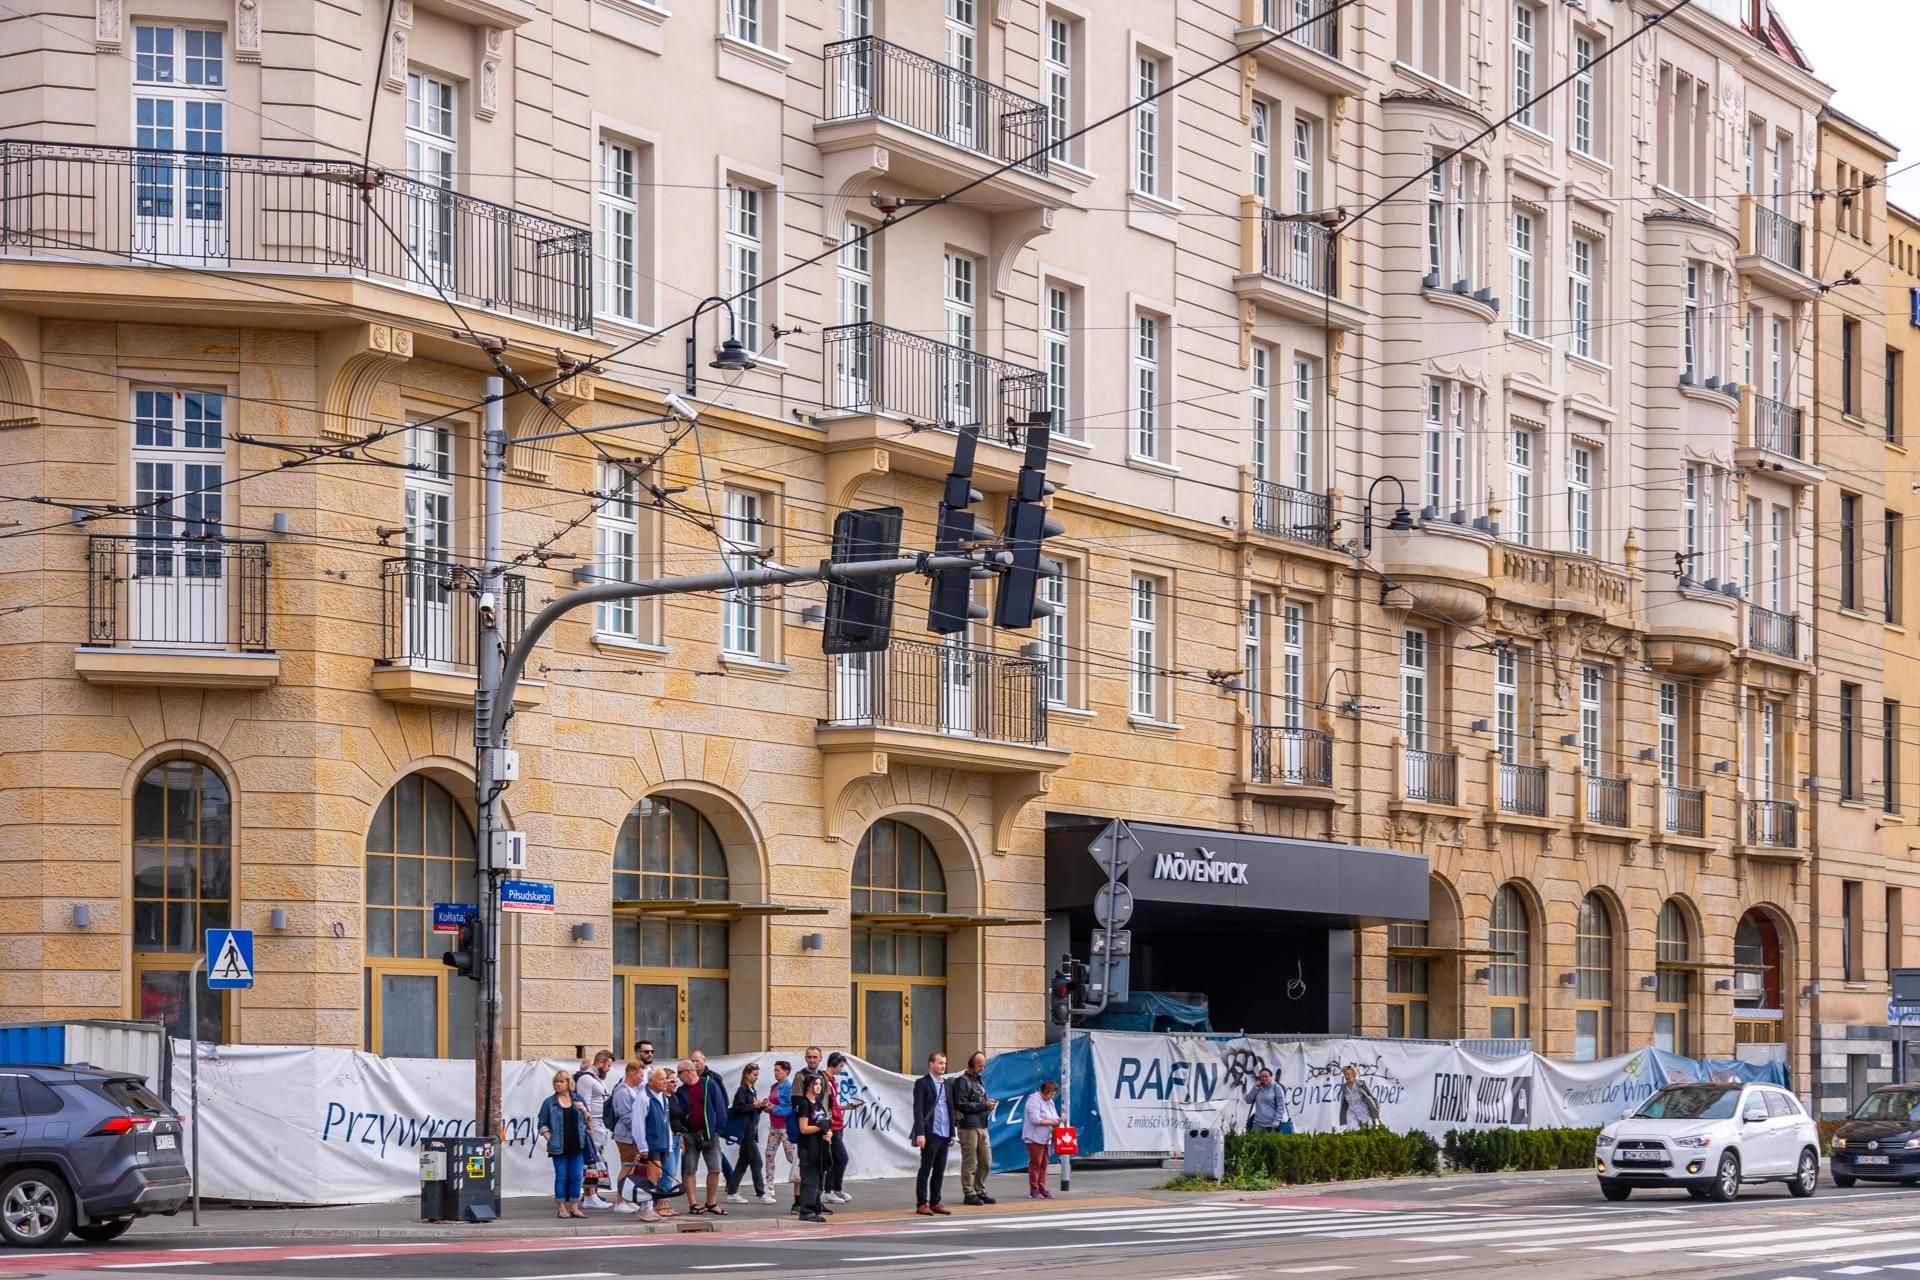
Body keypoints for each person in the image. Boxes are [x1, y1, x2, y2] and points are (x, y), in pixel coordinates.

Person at [675, 1058, 729, 1215]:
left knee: (715, 1168)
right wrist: (683, 1131)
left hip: (709, 1134)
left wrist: (716, 1129)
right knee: (690, 1169)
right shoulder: (681, 1091)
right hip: (690, 1135)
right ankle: (693, 1204)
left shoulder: (708, 1084)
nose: (678, 1077)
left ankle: (711, 1202)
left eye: (679, 1073)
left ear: (689, 1071)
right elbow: (679, 1113)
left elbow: (719, 1106)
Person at [536, 1069, 592, 1219]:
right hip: (559, 1146)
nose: (558, 1084)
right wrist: (550, 1138)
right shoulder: (549, 1102)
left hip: (577, 1144)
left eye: (562, 1081)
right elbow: (542, 1123)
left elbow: (587, 1119)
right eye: (556, 1082)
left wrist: (584, 1110)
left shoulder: (577, 1099)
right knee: (561, 1176)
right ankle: (561, 1207)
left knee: (576, 1177)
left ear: (569, 1083)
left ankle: (574, 1207)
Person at [909, 1050, 955, 1215]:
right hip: (930, 1132)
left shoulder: (946, 1084)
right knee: (926, 1168)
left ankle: (936, 1201)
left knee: (940, 1169)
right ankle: (922, 1203)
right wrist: (920, 1133)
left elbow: (950, 1109)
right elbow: (918, 1110)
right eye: (940, 1063)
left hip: (944, 1132)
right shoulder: (922, 1083)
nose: (943, 1066)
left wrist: (952, 1132)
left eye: (944, 1063)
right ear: (931, 1064)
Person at [952, 1051, 997, 1206]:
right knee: (970, 1161)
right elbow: (961, 1105)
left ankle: (979, 1189)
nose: (982, 1068)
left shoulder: (979, 1080)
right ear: (971, 1065)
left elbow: (978, 1101)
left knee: (986, 1161)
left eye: (983, 1065)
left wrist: (987, 1105)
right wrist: (984, 1105)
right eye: (979, 1065)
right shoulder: (961, 1081)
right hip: (968, 1126)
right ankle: (969, 1192)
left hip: (982, 1124)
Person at [725, 1061, 773, 1204]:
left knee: (742, 1163)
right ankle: (760, 1193)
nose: (756, 1077)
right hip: (746, 1132)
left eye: (757, 1075)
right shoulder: (742, 1090)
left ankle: (732, 1191)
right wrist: (754, 1105)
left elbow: (750, 1110)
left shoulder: (751, 1090)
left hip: (751, 1131)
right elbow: (738, 1109)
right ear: (747, 1074)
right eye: (754, 1075)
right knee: (756, 1163)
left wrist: (760, 1106)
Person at [574, 1050, 615, 1208]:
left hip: (599, 1124)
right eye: (608, 1065)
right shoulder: (586, 1079)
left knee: (597, 1161)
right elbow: (585, 1104)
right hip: (594, 1125)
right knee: (591, 1162)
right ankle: (589, 1196)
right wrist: (589, 1126)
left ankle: (592, 1193)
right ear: (601, 1063)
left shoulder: (596, 1079)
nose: (609, 1069)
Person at [822, 1051, 863, 1203]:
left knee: (837, 1159)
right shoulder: (824, 1080)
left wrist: (844, 1107)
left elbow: (832, 1104)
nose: (841, 1069)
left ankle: (836, 1189)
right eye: (840, 1066)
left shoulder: (832, 1081)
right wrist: (827, 1124)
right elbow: (823, 1105)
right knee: (839, 1158)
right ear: (833, 1064)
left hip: (838, 1124)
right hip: (831, 1126)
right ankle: (828, 1190)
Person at [607, 1057, 646, 1214]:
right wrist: (638, 1134)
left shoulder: (632, 1090)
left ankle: (625, 1199)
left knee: (630, 1168)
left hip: (631, 1135)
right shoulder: (622, 1091)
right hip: (626, 1136)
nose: (642, 1079)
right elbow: (626, 1116)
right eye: (640, 1075)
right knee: (627, 1167)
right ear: (631, 1073)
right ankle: (620, 1201)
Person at [794, 1071, 833, 1223]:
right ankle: (806, 1210)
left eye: (819, 1084)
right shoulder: (804, 1104)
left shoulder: (818, 1104)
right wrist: (820, 1127)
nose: (818, 1087)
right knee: (809, 1180)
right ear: (808, 1086)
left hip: (821, 1147)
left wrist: (828, 1133)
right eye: (815, 1084)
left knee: (818, 1180)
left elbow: (825, 1123)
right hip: (808, 1147)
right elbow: (803, 1128)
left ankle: (815, 1208)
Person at [1022, 1080, 1061, 1199]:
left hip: (1046, 1137)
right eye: (1051, 1094)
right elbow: (1035, 1119)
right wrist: (1052, 1122)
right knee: (1036, 1163)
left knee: (1044, 1163)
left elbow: (1054, 1116)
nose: (1052, 1097)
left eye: (1053, 1095)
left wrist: (1059, 1120)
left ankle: (1042, 1187)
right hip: (1034, 1137)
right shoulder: (1033, 1099)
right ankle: (1034, 1189)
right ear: (1044, 1092)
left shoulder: (1050, 1102)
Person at [764, 1059, 797, 1192]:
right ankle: (769, 1184)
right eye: (775, 1070)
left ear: (786, 1072)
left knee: (791, 1156)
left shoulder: (789, 1087)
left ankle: (803, 1176)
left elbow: (790, 1108)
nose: (776, 1073)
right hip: (774, 1126)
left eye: (778, 1070)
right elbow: (773, 1102)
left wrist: (774, 1109)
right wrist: (766, 1104)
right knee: (769, 1154)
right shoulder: (774, 1086)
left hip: (785, 1127)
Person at [1244, 1067, 1294, 1134]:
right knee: (1254, 1143)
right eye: (1262, 1077)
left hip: (1272, 1125)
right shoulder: (1258, 1087)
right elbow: (1248, 1100)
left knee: (1271, 1144)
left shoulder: (1276, 1088)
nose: (1264, 1079)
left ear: (1271, 1076)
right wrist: (1255, 1088)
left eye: (1266, 1076)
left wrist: (1277, 1120)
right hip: (1258, 1124)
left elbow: (1281, 1106)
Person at [1338, 1063, 1382, 1130]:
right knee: (1352, 1130)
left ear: (1353, 1075)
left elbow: (1372, 1096)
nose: (1346, 1077)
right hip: (1352, 1112)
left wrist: (1377, 1107)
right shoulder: (1344, 1087)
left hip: (1364, 1111)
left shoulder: (1361, 1084)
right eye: (1345, 1075)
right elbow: (1344, 1103)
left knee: (1367, 1129)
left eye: (1348, 1075)